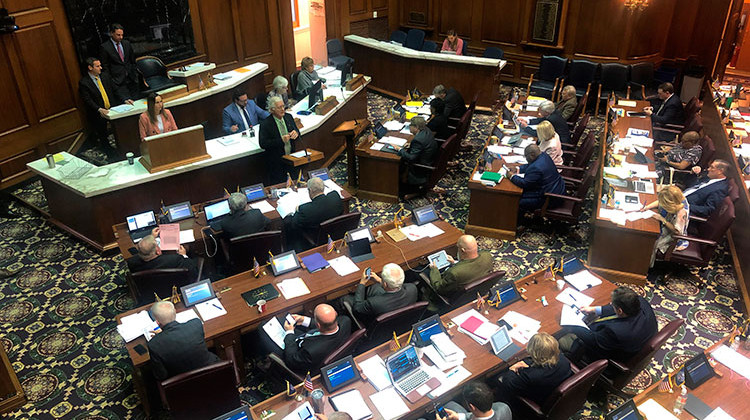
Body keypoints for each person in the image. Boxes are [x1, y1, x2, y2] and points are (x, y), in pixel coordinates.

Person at [559, 287, 657, 363]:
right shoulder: (641, 302)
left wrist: (572, 324)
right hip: (637, 341)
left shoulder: (616, 332)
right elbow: (621, 307)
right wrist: (595, 309)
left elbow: (592, 340)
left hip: (610, 355)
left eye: (612, 304)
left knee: (562, 341)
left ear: (619, 310)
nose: (610, 304)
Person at [147, 301, 220, 380]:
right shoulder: (196, 324)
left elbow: (161, 376)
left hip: (183, 384)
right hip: (213, 374)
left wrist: (162, 335)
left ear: (157, 322)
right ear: (175, 312)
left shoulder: (153, 344)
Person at [496, 333, 573, 409]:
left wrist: (512, 369)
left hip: (540, 398)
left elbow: (508, 384)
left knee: (498, 379)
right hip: (555, 390)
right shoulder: (563, 360)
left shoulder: (531, 376)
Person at [78, 57, 133, 157]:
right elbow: (87, 100)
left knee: (120, 129)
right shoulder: (84, 82)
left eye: (100, 65)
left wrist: (125, 99)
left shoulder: (105, 76)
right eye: (97, 66)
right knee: (103, 135)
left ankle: (123, 148)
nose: (101, 68)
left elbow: (115, 89)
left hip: (112, 109)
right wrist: (99, 109)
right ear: (90, 68)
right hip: (98, 112)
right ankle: (110, 154)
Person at [423, 235, 493, 311]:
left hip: (453, 298)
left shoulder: (454, 273)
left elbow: (439, 288)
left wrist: (434, 269)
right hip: (476, 292)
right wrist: (456, 263)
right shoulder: (487, 256)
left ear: (462, 250)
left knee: (422, 271)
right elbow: (470, 265)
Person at [278, 304, 351, 373]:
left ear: (318, 325)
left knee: (268, 330)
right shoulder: (345, 321)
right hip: (308, 341)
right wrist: (304, 320)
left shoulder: (310, 351)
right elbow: (327, 325)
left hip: (294, 353)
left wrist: (289, 332)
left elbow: (291, 360)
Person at [284, 177, 343, 251]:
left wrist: (297, 210)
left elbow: (293, 225)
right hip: (337, 234)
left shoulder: (305, 210)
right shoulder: (335, 196)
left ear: (310, 191)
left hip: (316, 239)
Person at [341, 263, 418, 318]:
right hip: (401, 319)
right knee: (375, 288)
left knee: (345, 299)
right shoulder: (412, 288)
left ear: (385, 284)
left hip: (373, 321)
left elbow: (357, 308)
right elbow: (395, 285)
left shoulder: (374, 303)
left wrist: (362, 283)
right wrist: (379, 280)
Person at [508, 144, 566, 212]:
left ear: (532, 155)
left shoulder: (536, 167)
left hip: (550, 198)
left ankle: (519, 220)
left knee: (515, 200)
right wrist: (518, 169)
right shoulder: (544, 156)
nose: (526, 158)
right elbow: (531, 165)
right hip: (557, 188)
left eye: (526, 156)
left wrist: (511, 176)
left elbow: (524, 183)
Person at [642, 185, 690, 266]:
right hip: (666, 225)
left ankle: (644, 267)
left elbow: (677, 232)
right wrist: (647, 207)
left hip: (673, 236)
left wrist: (662, 220)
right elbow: (660, 202)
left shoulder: (681, 213)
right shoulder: (677, 197)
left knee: (649, 241)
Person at [259, 95, 301, 184]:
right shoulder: (265, 124)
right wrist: (280, 140)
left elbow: (297, 131)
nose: (283, 109)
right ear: (272, 110)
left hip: (291, 158)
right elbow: (263, 144)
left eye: (283, 106)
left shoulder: (288, 117)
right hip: (277, 162)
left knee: (295, 182)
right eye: (279, 107)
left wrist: (296, 133)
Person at [391, 116, 438, 197]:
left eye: (410, 125)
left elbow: (411, 158)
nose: (409, 127)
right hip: (430, 159)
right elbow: (422, 146)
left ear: (416, 127)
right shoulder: (426, 130)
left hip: (421, 167)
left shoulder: (418, 140)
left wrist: (399, 149)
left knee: (397, 160)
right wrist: (412, 146)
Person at [126, 230, 199, 279]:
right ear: (158, 251)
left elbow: (143, 250)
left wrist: (152, 237)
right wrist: (184, 255)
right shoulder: (175, 260)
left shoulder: (131, 263)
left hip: (149, 291)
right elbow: (193, 272)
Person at [99, 23, 138, 100]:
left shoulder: (126, 43)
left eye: (122, 35)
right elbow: (105, 66)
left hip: (131, 78)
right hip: (118, 81)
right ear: (111, 33)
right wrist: (112, 81)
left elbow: (132, 60)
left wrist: (134, 73)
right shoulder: (105, 47)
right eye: (118, 35)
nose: (121, 37)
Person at [439, 382, 512, 420]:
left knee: (449, 404)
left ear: (471, 407)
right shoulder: (503, 407)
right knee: (450, 405)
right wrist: (459, 417)